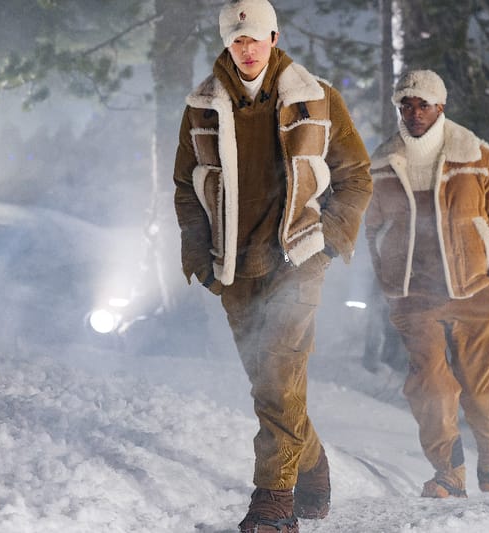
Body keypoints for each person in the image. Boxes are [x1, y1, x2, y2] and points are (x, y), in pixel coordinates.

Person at [172, 1, 373, 531]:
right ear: (226, 43)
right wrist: (200, 254)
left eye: (255, 38)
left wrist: (328, 241)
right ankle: (313, 466)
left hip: (297, 259)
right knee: (269, 385)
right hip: (234, 266)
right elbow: (185, 187)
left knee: (280, 372)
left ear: (274, 37)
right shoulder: (201, 107)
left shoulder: (317, 98)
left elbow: (355, 176)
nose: (247, 48)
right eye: (237, 40)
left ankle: (273, 500)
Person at [365, 70, 489, 498]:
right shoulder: (381, 161)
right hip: (415, 296)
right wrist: (389, 284)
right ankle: (448, 476)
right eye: (407, 105)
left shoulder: (474, 153)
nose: (414, 114)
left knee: (482, 393)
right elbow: (372, 227)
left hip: (475, 293)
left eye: (424, 105)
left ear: (441, 106)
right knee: (429, 388)